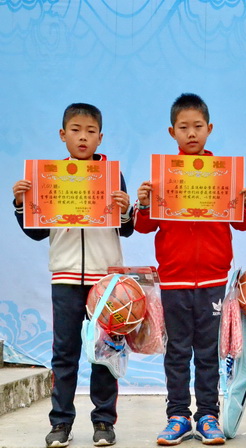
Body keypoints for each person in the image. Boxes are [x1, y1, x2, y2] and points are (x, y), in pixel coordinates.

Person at [134, 93, 246, 446]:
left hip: (212, 279)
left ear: (209, 129)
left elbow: (244, 223)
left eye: (197, 127)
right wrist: (144, 204)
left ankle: (208, 416)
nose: (191, 133)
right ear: (171, 131)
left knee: (208, 352)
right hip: (174, 279)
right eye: (183, 127)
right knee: (177, 352)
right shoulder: (163, 177)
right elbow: (144, 226)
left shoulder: (224, 175)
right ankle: (177, 416)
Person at [12, 103, 133, 447]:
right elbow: (37, 233)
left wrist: (126, 210)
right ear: (63, 135)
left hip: (105, 280)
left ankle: (104, 423)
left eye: (90, 131)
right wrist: (22, 204)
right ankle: (60, 423)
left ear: (100, 137)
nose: (83, 137)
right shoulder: (48, 176)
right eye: (76, 130)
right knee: (65, 354)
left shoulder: (112, 175)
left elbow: (126, 230)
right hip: (64, 277)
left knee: (104, 353)